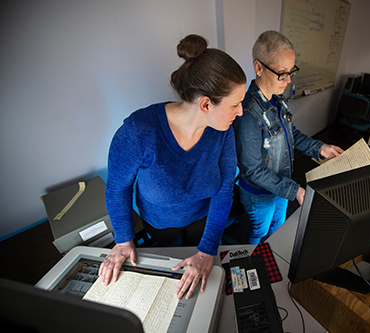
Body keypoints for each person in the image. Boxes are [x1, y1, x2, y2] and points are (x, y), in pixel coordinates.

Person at [99, 34, 246, 300]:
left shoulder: (222, 131)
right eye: (235, 104)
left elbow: (224, 191)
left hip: (204, 219)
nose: (241, 111)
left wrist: (207, 250)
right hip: (161, 225)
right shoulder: (139, 131)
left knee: (205, 280)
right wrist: (123, 240)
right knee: (174, 283)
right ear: (205, 104)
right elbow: (118, 189)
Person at [233, 30, 344, 244]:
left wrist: (319, 148)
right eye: (283, 73)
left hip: (282, 184)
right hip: (260, 193)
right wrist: (295, 190)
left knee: (279, 227)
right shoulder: (248, 114)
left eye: (291, 71)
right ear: (259, 68)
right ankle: (253, 262)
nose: (289, 79)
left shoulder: (278, 99)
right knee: (260, 232)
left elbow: (290, 133)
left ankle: (272, 256)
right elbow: (252, 169)